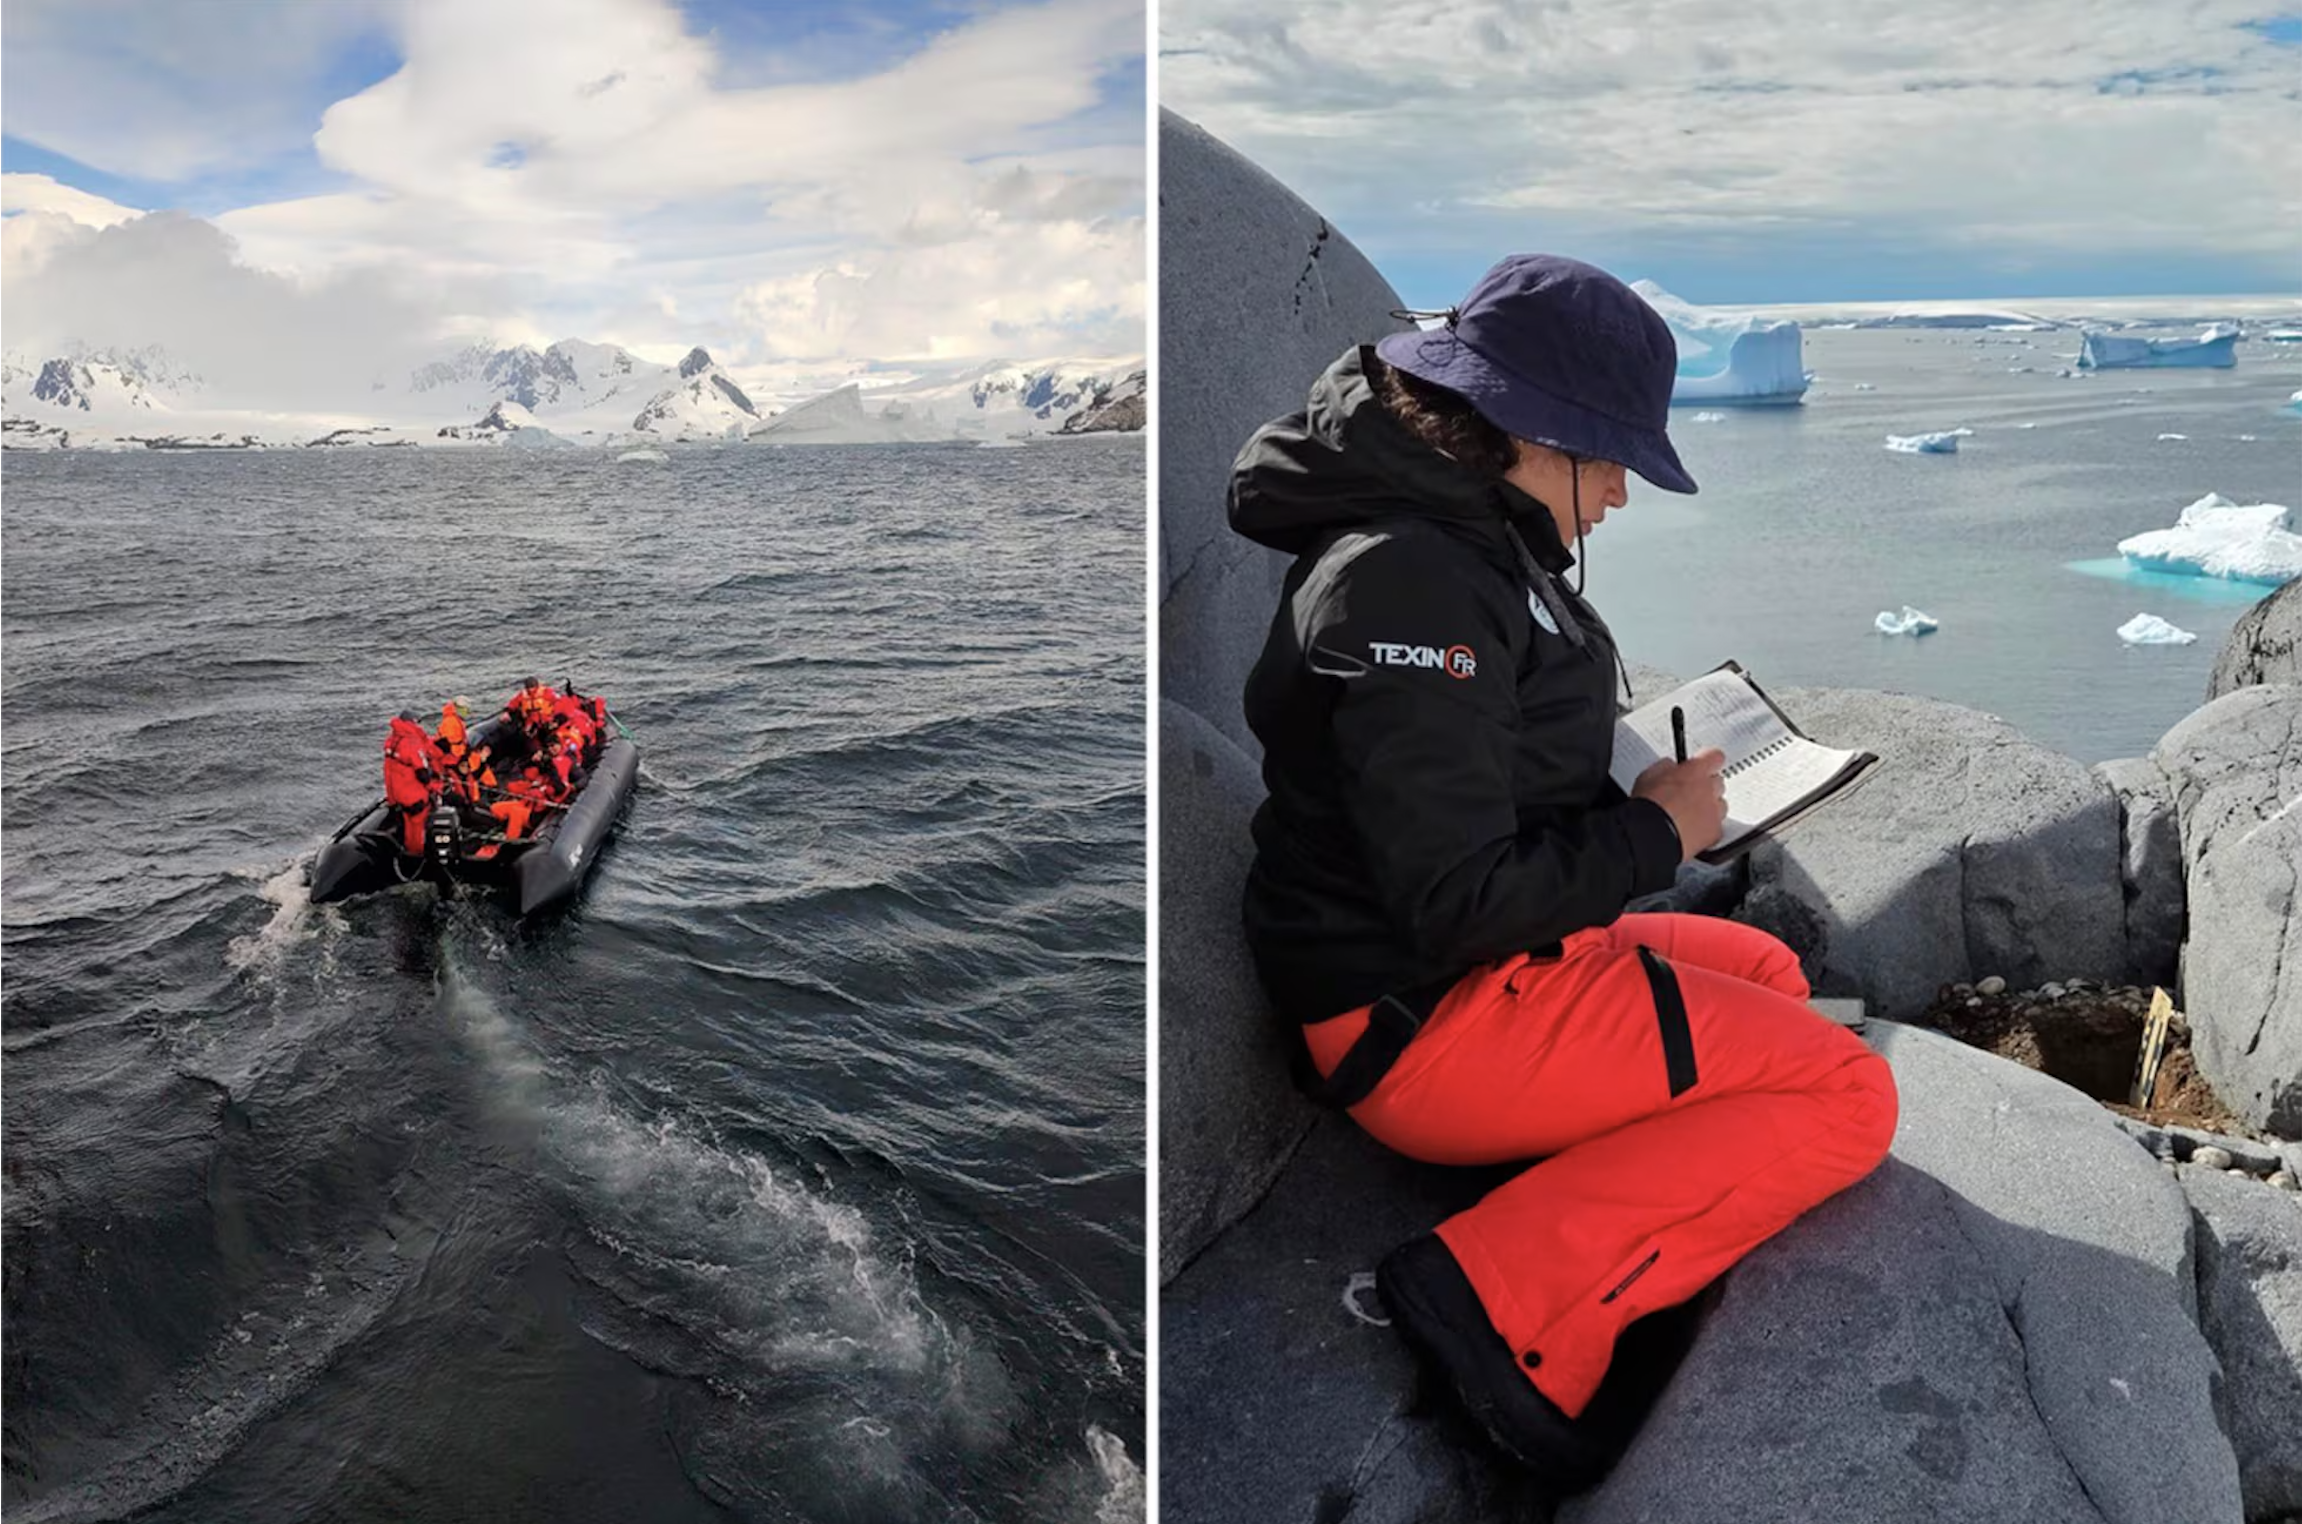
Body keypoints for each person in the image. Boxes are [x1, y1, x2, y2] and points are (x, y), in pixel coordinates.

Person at [1227, 253, 1899, 1491]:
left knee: (1761, 965)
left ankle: (1600, 1193)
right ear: (1527, 433)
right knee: (1847, 1101)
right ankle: (1498, 1296)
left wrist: (1638, 790)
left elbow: (1468, 780)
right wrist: (1659, 836)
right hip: (1423, 1016)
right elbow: (1456, 899)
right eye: (1613, 462)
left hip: (1463, 968)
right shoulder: (1406, 577)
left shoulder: (1460, 534)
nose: (1622, 499)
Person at [381, 710, 441, 854]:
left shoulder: (392, 740)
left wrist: (392, 800)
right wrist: (432, 786)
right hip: (414, 792)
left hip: (398, 791)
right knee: (418, 826)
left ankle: (409, 850)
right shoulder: (412, 742)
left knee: (408, 824)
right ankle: (418, 855)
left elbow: (389, 769)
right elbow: (422, 772)